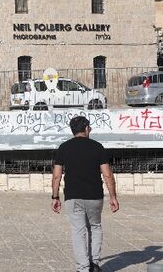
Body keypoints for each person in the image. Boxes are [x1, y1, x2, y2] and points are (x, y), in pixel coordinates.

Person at [52, 116, 119, 272]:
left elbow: (56, 175)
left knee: (78, 230)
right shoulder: (97, 147)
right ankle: (94, 263)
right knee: (95, 227)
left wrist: (55, 197)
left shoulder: (64, 148)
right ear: (87, 128)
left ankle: (83, 268)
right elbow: (107, 174)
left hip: (73, 196)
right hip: (95, 196)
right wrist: (113, 197)